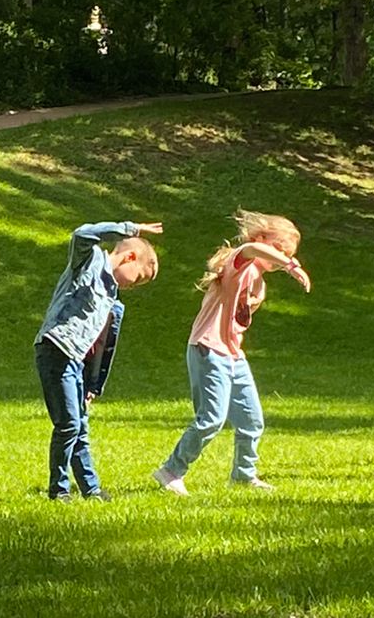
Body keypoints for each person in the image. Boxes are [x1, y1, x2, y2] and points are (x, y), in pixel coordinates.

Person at [151, 212, 309, 496]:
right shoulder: (240, 264)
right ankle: (171, 470)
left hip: (233, 355)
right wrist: (291, 264)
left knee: (252, 420)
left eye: (287, 254)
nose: (281, 257)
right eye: (279, 249)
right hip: (209, 348)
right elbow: (249, 250)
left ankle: (243, 475)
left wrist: (281, 263)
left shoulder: (258, 281)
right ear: (261, 240)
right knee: (210, 418)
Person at [35, 220, 162, 502]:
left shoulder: (111, 295)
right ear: (129, 257)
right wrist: (129, 229)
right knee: (68, 424)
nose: (135, 285)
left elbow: (99, 344)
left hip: (76, 361)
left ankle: (91, 489)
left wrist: (93, 383)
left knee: (80, 425)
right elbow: (82, 234)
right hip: (57, 348)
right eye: (138, 277)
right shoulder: (89, 262)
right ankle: (58, 490)